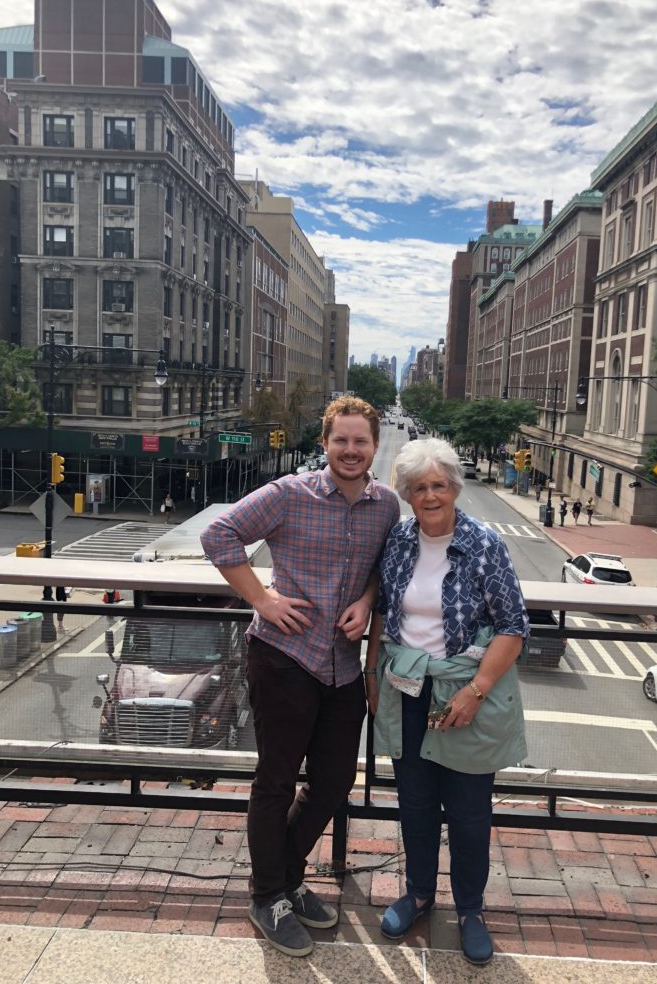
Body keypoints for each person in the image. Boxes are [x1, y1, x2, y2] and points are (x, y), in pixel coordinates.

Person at [200, 396, 399, 958]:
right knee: (276, 781)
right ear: (325, 443)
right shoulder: (290, 493)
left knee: (334, 782)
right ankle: (268, 896)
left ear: (375, 446)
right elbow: (218, 535)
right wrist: (262, 599)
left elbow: (383, 569)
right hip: (283, 656)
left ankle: (285, 879)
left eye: (361, 441)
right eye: (341, 440)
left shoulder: (386, 505)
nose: (351, 450)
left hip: (343, 665)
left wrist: (366, 600)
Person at [365, 439, 528, 966]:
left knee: (468, 812)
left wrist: (476, 691)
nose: (430, 495)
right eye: (419, 487)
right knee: (414, 804)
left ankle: (471, 910)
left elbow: (513, 626)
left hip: (463, 694)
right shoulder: (399, 540)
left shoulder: (484, 544)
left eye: (438, 485)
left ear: (454, 488)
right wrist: (371, 673)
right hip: (408, 689)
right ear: (407, 494)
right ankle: (418, 894)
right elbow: (384, 610)